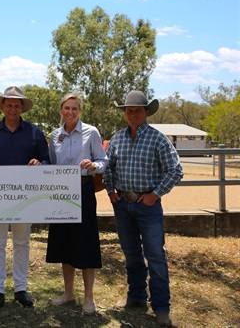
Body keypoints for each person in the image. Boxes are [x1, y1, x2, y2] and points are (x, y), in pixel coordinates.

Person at [103, 90, 183, 327]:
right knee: (131, 253)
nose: (132, 114)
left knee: (156, 256)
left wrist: (155, 194)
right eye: (129, 111)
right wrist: (110, 191)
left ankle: (161, 307)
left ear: (146, 112)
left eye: (137, 110)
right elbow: (108, 167)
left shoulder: (158, 139)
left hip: (147, 206)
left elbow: (175, 171)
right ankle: (136, 297)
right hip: (123, 204)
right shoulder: (117, 138)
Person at [0, 86, 50, 308]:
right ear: (2, 106)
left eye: (17, 105)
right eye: (9, 104)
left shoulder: (34, 132)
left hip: (25, 198)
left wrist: (39, 163)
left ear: (22, 108)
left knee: (22, 243)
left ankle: (21, 288)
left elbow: (47, 161)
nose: (13, 108)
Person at [46, 93, 107, 315]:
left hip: (83, 190)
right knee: (64, 242)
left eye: (75, 108)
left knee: (86, 243)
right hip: (60, 192)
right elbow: (51, 164)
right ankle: (68, 293)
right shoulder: (55, 135)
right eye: (67, 108)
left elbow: (103, 161)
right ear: (61, 110)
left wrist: (93, 165)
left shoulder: (91, 132)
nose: (71, 112)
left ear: (79, 111)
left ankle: (89, 297)